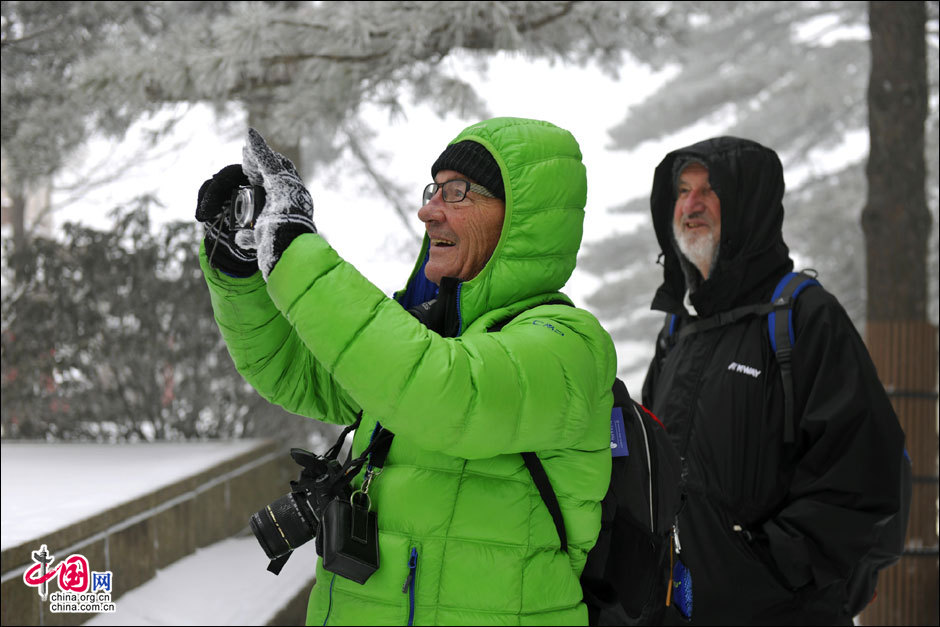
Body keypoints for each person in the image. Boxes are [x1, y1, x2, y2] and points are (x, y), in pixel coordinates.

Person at [196, 118, 617, 625]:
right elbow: (292, 369)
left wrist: (295, 251)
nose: (428, 211)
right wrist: (237, 270)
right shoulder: (422, 336)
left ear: (524, 221)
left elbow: (447, 395)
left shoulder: (570, 347)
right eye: (433, 189)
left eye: (457, 193)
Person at [641, 136, 907, 625]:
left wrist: (765, 572)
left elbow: (865, 479)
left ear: (749, 206)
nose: (691, 204)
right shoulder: (678, 329)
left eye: (710, 189)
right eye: (682, 190)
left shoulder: (805, 317)